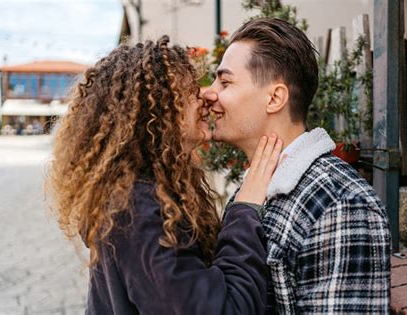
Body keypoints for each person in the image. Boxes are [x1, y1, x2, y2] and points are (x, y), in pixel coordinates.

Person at [45, 36, 283, 314]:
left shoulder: (145, 193)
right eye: (190, 91)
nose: (205, 96)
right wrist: (245, 209)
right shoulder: (137, 210)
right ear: (157, 111)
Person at [204, 18, 391, 314]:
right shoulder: (254, 191)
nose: (208, 93)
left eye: (224, 82)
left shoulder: (339, 204)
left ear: (275, 98)